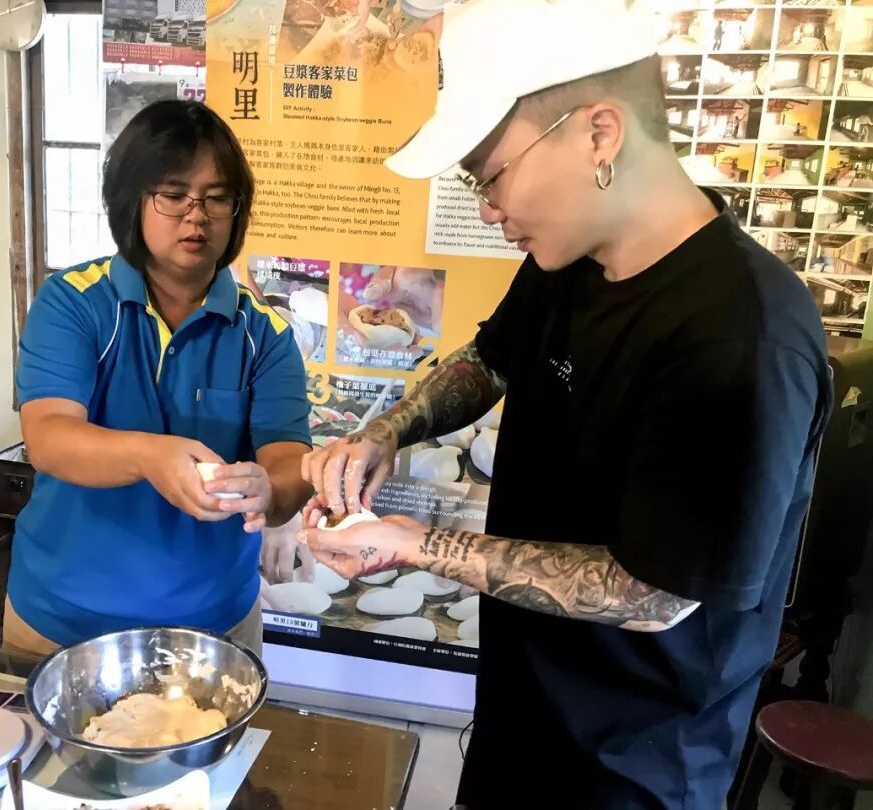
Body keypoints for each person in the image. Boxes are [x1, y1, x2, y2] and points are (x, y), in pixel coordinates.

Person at [297, 1, 832, 807]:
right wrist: (386, 432)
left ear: (599, 134)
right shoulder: (570, 260)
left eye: (491, 175)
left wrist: (417, 544)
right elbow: (490, 359)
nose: (487, 208)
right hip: (526, 713)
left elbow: (653, 593)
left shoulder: (742, 336)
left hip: (634, 764)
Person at [5, 100, 312, 656]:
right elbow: (48, 436)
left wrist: (272, 493)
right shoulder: (73, 302)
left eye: (217, 197)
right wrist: (150, 455)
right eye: (173, 195)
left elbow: (289, 459)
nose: (197, 216)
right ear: (133, 199)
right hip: (61, 620)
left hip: (215, 625)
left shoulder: (264, 334)